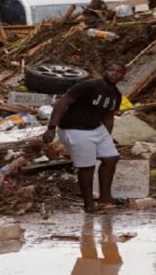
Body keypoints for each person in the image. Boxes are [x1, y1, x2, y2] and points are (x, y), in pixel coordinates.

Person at [43, 61, 127, 213]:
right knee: (87, 166)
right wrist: (51, 128)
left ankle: (105, 197)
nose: (114, 73)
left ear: (123, 76)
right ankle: (89, 204)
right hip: (74, 128)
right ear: (104, 71)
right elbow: (62, 103)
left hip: (96, 127)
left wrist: (107, 136)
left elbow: (108, 117)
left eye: (118, 72)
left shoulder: (116, 95)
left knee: (111, 158)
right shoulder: (89, 86)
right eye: (111, 70)